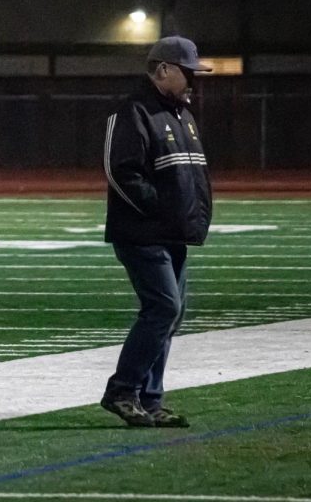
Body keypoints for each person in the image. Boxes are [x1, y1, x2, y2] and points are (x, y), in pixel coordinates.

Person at [100, 36, 213, 428]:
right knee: (164, 307)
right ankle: (123, 390)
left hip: (172, 233)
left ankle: (149, 399)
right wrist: (163, 211)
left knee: (171, 314)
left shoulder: (181, 113)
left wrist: (187, 219)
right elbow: (121, 173)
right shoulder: (134, 111)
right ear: (163, 69)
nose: (194, 80)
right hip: (143, 234)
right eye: (188, 72)